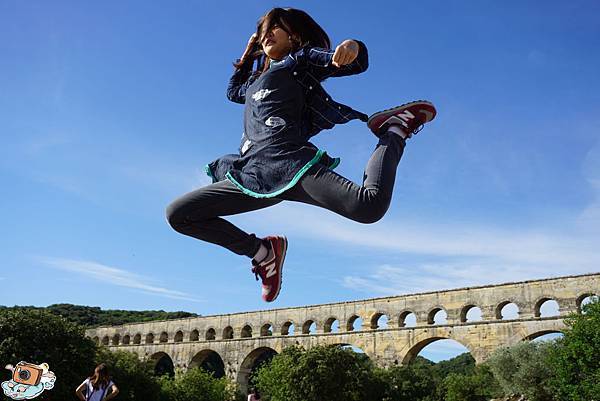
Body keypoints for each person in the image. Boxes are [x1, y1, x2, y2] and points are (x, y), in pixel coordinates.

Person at [166, 7, 436, 302]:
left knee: (369, 208)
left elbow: (352, 63)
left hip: (292, 164)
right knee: (179, 215)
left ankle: (394, 130)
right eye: (263, 31)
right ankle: (263, 253)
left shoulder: (299, 62)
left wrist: (352, 47)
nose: (267, 35)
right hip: (251, 173)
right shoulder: (254, 82)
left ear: (294, 35)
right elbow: (232, 91)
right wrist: (247, 52)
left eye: (275, 28)